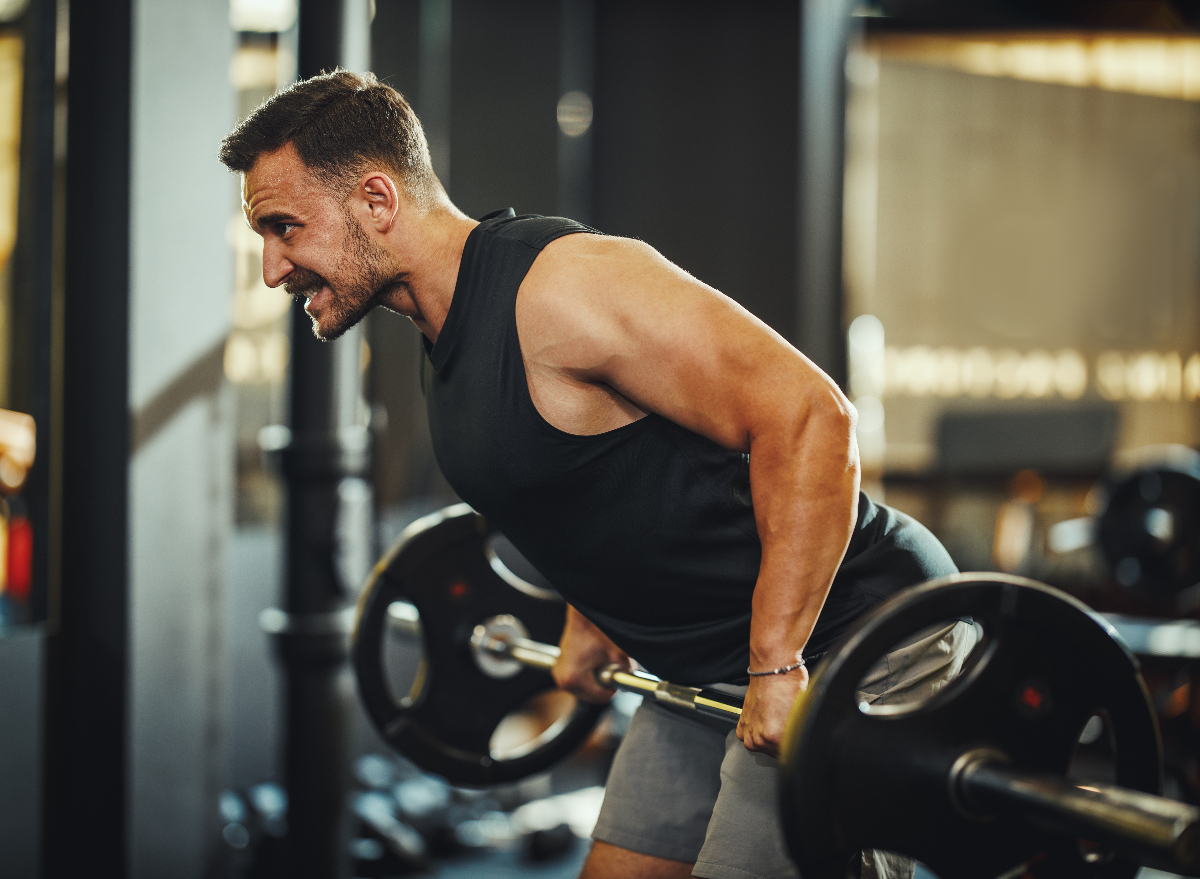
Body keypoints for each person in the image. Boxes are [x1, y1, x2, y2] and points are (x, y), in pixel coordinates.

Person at [220, 70, 976, 879]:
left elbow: (811, 418)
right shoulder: (441, 328)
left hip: (850, 638)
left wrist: (777, 663)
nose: (271, 269)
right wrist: (594, 615)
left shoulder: (563, 286)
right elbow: (579, 477)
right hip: (711, 661)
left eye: (285, 228)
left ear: (376, 200)